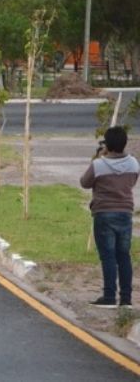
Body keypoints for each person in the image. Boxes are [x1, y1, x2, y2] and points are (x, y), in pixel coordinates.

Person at [80, 127, 139, 308]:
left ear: (107, 144)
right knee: (124, 255)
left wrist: (98, 157)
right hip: (125, 213)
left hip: (103, 213)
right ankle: (126, 298)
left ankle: (109, 296)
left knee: (108, 256)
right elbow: (132, 181)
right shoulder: (134, 164)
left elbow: (84, 182)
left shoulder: (99, 165)